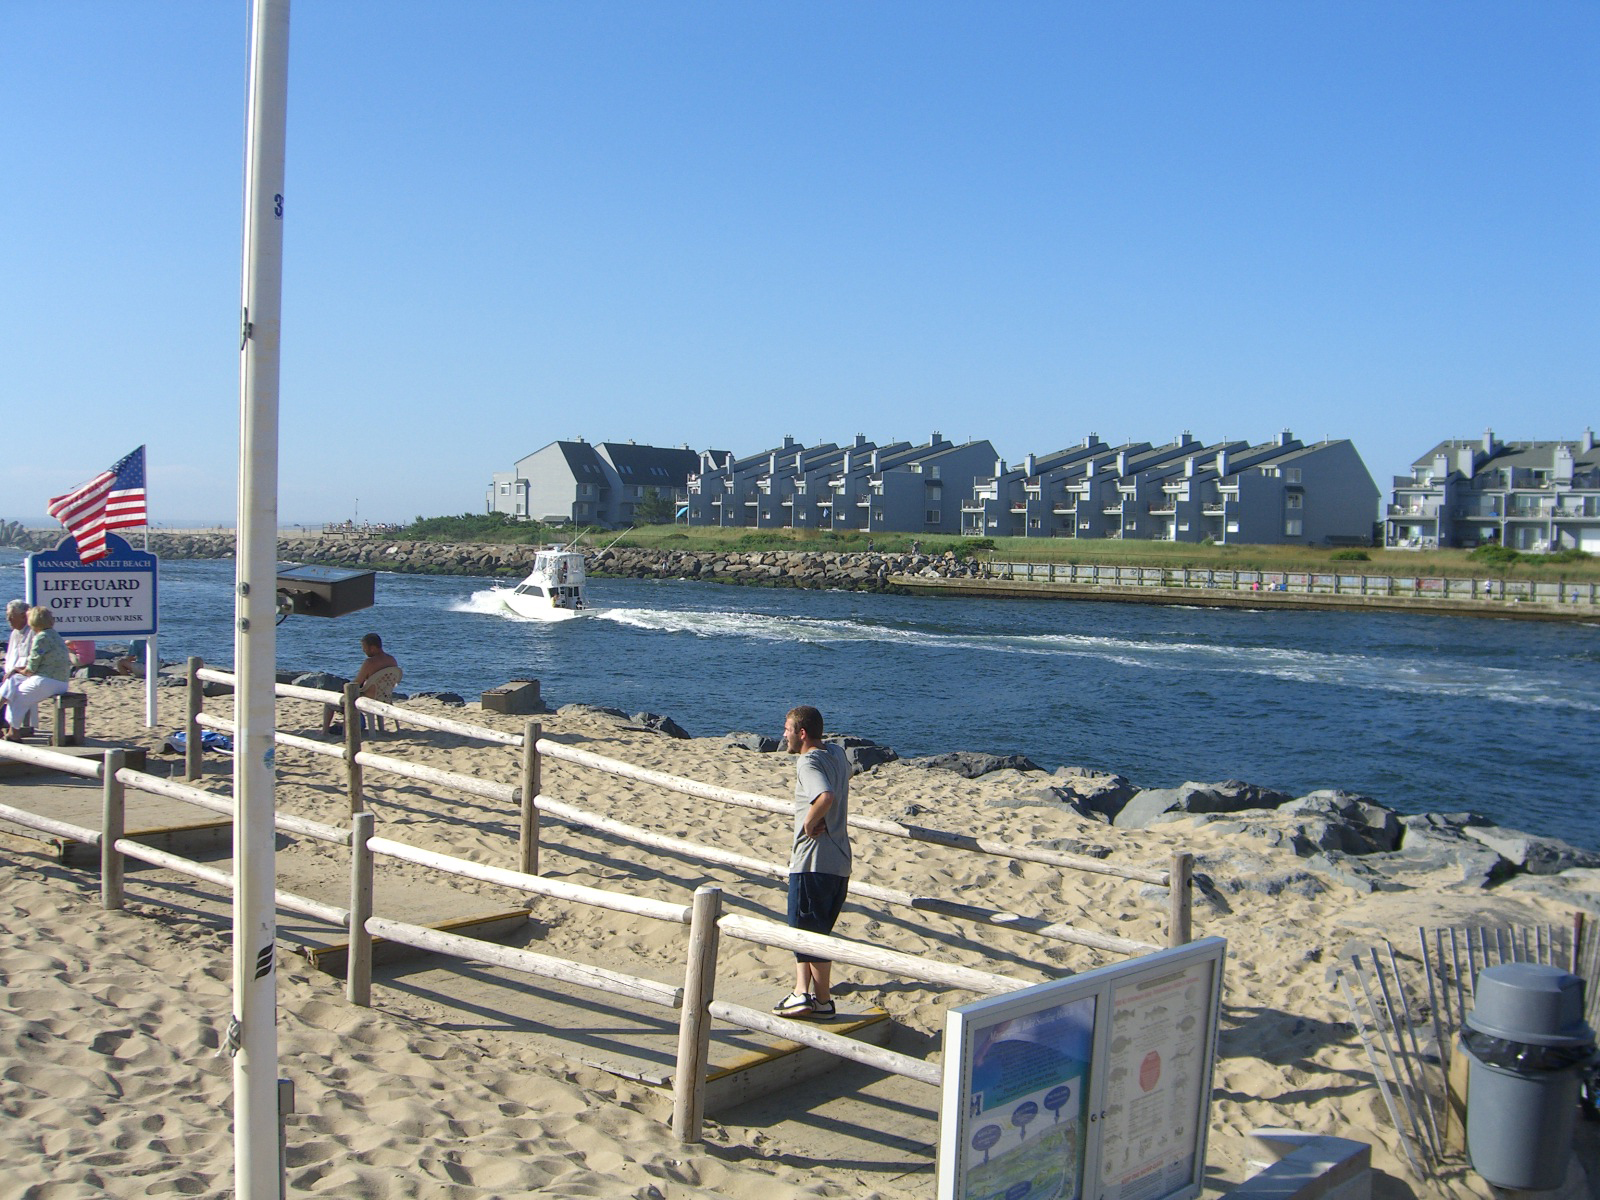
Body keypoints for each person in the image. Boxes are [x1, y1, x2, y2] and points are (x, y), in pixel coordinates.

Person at [772, 705, 852, 1021]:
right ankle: (810, 996)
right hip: (839, 862)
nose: (783, 735)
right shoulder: (837, 755)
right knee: (816, 931)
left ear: (801, 734)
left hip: (812, 862)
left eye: (787, 729)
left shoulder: (808, 762)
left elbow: (825, 796)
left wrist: (809, 821)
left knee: (803, 931)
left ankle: (815, 997)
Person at [1, 607, 71, 742]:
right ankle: (12, 730)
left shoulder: (41, 638)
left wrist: (16, 670)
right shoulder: (54, 635)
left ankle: (13, 732)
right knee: (13, 680)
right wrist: (16, 671)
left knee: (15, 695)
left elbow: (30, 670)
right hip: (61, 681)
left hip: (47, 681)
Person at [322, 633, 401, 736]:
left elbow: (357, 683)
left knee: (329, 703)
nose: (363, 651)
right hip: (384, 696)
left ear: (372, 648)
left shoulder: (369, 662)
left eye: (364, 648)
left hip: (368, 698)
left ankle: (324, 732)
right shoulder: (392, 660)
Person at [1, 601, 34, 733]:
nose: (8, 619)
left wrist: (13, 671)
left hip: (24, 673)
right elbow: (9, 658)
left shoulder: (32, 633)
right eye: (7, 615)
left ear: (23, 616)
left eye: (11, 616)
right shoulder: (15, 632)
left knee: (5, 685)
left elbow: (31, 661)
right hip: (11, 671)